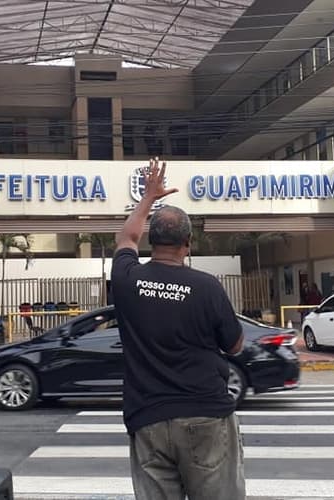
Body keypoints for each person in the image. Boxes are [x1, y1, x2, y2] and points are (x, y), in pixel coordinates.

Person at [111, 158, 245, 500]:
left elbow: (126, 236)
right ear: (187, 244)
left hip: (148, 418)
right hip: (205, 413)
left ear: (150, 241)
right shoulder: (207, 287)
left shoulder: (127, 279)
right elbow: (235, 347)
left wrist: (147, 198)